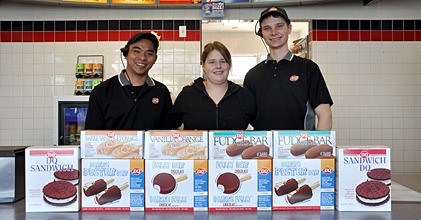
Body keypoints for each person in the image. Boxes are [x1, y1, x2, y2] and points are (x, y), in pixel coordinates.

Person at [244, 6, 333, 130]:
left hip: (302, 147)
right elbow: (246, 116)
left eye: (279, 26)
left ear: (289, 28)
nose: (273, 32)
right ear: (261, 33)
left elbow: (325, 114)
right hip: (264, 148)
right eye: (267, 28)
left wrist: (315, 147)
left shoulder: (308, 69)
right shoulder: (252, 75)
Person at [85, 32, 173, 130]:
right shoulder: (102, 91)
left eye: (149, 53)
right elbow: (92, 135)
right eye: (136, 51)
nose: (143, 57)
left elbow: (167, 133)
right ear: (126, 53)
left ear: (155, 59)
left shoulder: (161, 92)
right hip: (113, 146)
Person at [167, 41, 256, 130]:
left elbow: (261, 127)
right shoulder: (188, 94)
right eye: (212, 62)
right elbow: (168, 127)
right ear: (203, 66)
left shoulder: (244, 96)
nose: (218, 66)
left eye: (223, 61)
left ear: (229, 64)